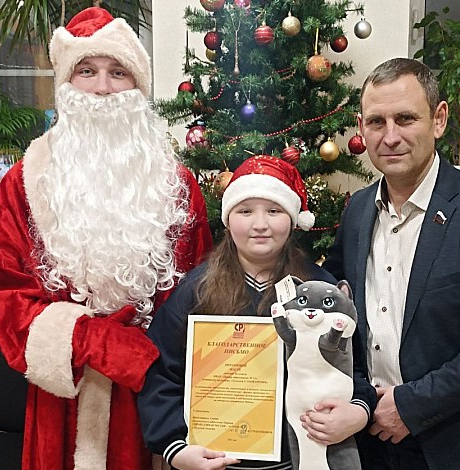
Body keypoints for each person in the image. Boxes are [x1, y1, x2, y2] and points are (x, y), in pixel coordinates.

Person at [0, 7, 213, 470]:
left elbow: (204, 292)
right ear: (67, 84)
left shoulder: (178, 185)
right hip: (64, 399)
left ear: (138, 87)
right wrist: (95, 342)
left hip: (155, 392)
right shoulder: (23, 184)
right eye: (86, 71)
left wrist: (161, 364)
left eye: (118, 72)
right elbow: (4, 293)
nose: (103, 87)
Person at [320, 57, 460, 470]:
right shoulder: (358, 210)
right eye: (376, 122)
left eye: (405, 119)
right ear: (361, 127)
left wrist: (413, 405)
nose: (390, 136)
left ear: (439, 119)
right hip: (371, 440)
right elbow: (339, 311)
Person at [138, 155, 377, 470]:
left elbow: (354, 368)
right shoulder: (195, 291)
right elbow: (161, 375)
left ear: (292, 219)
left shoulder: (321, 290)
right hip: (216, 462)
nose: (260, 224)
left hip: (301, 459)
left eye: (274, 211)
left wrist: (358, 410)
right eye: (245, 211)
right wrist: (175, 447)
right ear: (228, 220)